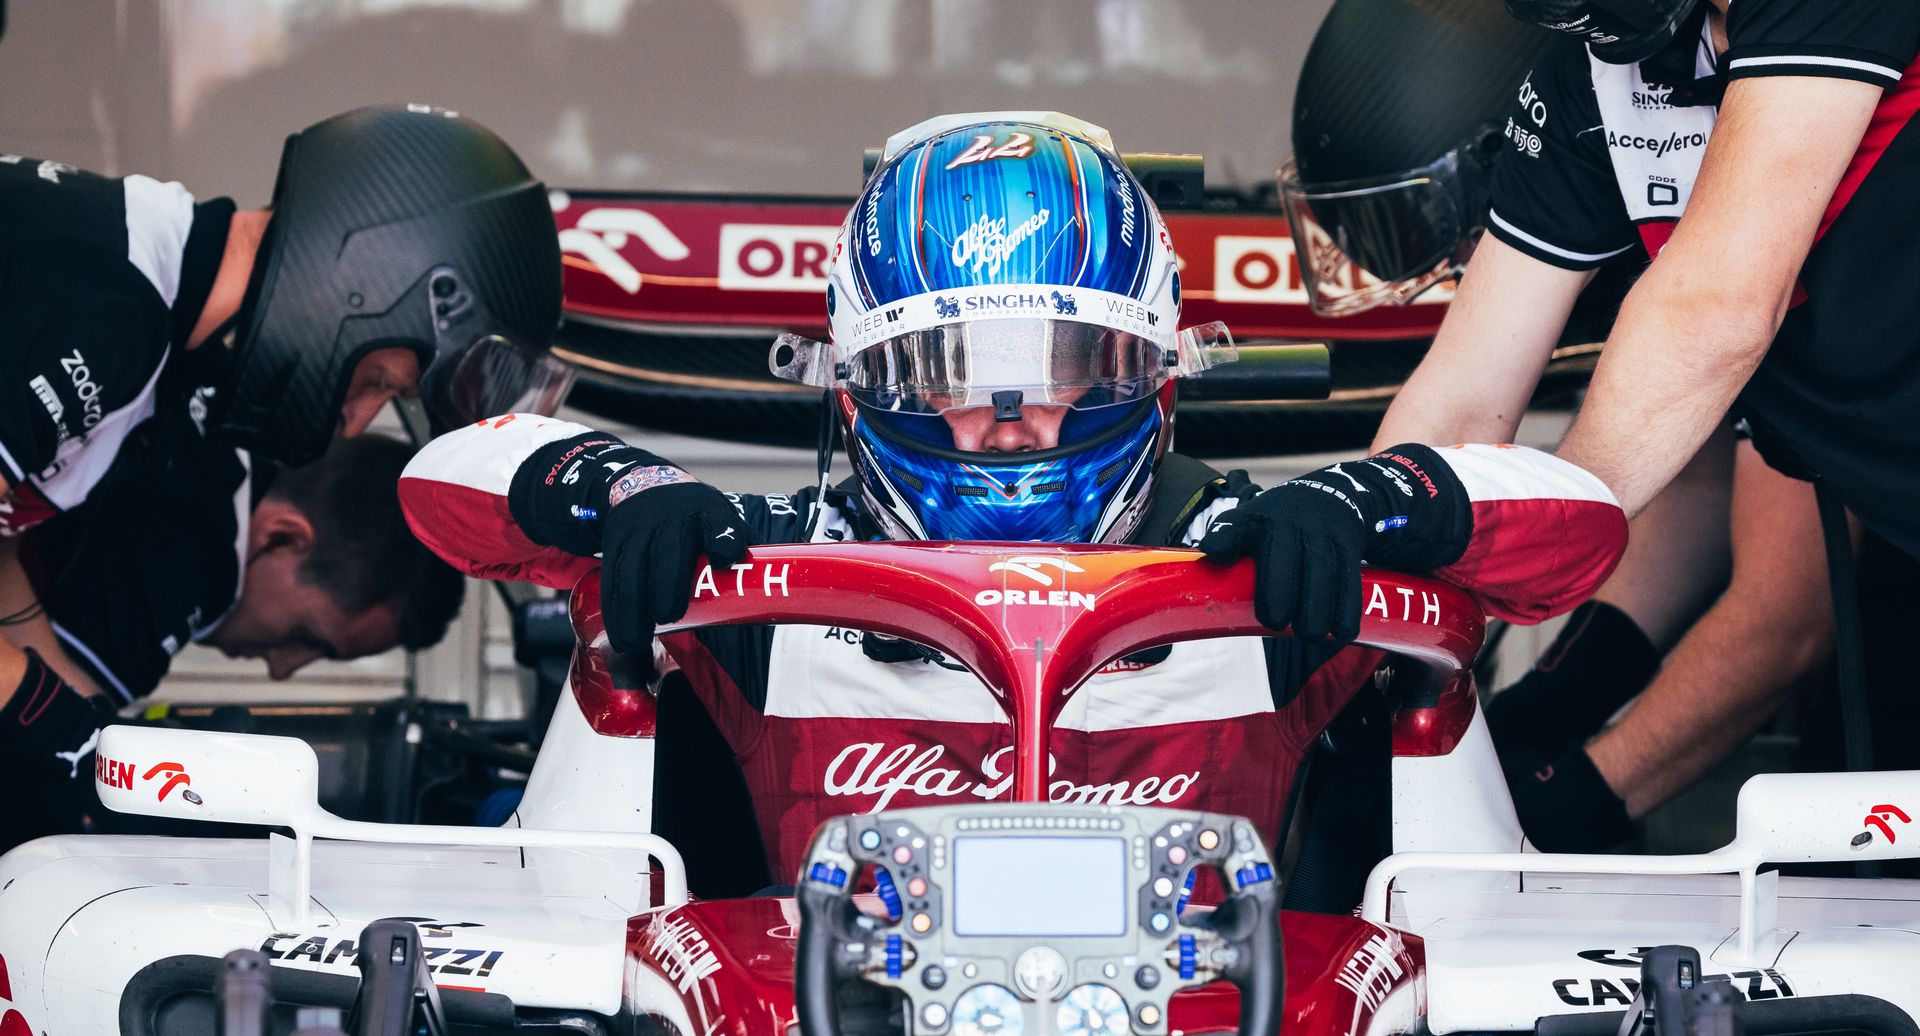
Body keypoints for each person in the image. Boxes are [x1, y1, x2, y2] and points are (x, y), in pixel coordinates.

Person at [399, 112, 1627, 885]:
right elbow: (446, 478)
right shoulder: (753, 588)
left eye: (1065, 366)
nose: (1008, 423)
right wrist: (624, 489)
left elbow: (1577, 523)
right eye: (944, 372)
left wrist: (1369, 503)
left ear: (1155, 373)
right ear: (855, 387)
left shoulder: (1272, 578)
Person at [1285, 0, 1920, 850]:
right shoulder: (1594, 80)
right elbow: (1466, 397)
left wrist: (1488, 529)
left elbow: (1716, 315)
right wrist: (1353, 646)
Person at [0, 103, 570, 830]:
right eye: (377, 381)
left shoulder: (162, 339)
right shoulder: (113, 302)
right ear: (358, 282)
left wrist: (98, 742)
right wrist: (71, 743)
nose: (354, 422)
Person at [0, 431, 466, 848]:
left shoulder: (208, 453)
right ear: (284, 538)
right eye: (306, 637)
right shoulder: (189, 553)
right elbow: (68, 749)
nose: (281, 669)